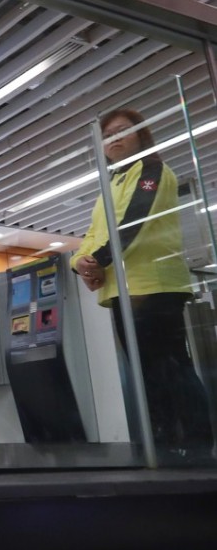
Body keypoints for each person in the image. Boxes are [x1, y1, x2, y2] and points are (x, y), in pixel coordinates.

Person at [73, 108, 214, 461]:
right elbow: (94, 234)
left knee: (168, 365)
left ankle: (196, 444)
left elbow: (136, 218)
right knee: (147, 370)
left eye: (122, 131)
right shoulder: (110, 184)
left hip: (154, 285)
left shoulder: (153, 171)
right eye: (107, 136)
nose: (114, 139)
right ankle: (164, 441)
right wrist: (81, 263)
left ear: (141, 135)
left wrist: (99, 260)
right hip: (124, 288)